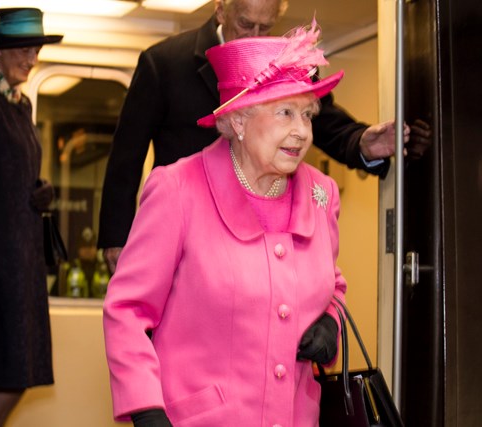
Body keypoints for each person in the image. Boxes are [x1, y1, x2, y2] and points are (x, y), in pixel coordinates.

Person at [103, 22, 352, 426]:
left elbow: (332, 283)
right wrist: (146, 408)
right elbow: (127, 311)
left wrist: (331, 319)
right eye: (286, 112)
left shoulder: (322, 193)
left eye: (308, 115)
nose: (301, 132)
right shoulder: (178, 190)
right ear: (238, 120)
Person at [98, 0, 425, 274]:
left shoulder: (286, 62)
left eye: (265, 27)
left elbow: (325, 122)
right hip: (184, 228)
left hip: (262, 232)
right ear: (221, 10)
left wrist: (362, 143)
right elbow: (127, 154)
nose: (255, 35)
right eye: (245, 23)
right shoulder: (165, 63)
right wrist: (116, 236)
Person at [0, 8, 62, 426]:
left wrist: (39, 191)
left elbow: (12, 172)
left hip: (22, 254)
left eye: (36, 51)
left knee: (21, 367)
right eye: (24, 50)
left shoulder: (22, 104)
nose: (31, 60)